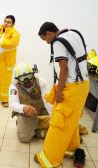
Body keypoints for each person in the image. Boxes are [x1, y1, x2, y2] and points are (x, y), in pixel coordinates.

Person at [35, 22, 89, 168]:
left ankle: (49, 158)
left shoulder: (58, 42)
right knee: (71, 119)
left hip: (72, 87)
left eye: (45, 39)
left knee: (59, 123)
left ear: (49, 33)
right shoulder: (74, 33)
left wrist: (59, 92)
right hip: (84, 85)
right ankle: (71, 149)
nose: (47, 42)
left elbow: (63, 69)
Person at [9, 63, 51, 143]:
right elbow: (12, 104)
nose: (27, 82)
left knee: (56, 127)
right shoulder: (14, 87)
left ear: (33, 74)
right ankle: (24, 123)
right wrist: (23, 108)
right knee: (24, 138)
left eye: (29, 77)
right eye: (23, 79)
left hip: (42, 110)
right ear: (17, 79)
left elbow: (48, 101)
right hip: (25, 114)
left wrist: (53, 115)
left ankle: (34, 126)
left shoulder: (41, 82)